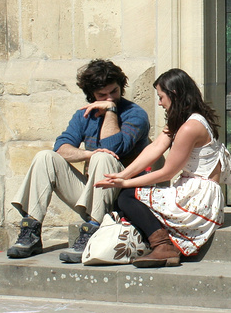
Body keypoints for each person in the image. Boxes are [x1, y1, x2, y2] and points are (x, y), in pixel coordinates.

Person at [8, 60, 150, 261]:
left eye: (114, 92)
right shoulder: (83, 115)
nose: (110, 98)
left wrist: (110, 111)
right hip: (93, 194)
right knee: (45, 157)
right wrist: (88, 155)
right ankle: (31, 229)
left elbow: (113, 148)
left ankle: (93, 230)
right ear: (92, 94)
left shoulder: (135, 114)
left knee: (103, 156)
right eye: (102, 95)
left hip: (123, 198)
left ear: (121, 88)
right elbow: (62, 147)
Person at [97, 68, 231, 268]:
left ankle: (163, 246)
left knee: (128, 196)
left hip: (199, 198)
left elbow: (167, 172)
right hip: (192, 191)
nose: (159, 102)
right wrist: (121, 175)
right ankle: (157, 243)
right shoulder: (182, 120)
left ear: (175, 94)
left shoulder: (190, 127)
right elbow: (155, 147)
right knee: (126, 196)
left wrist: (126, 182)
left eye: (161, 97)